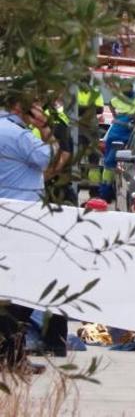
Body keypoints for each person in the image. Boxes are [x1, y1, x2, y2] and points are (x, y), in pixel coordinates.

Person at [0, 91, 56, 371]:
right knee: (24, 289)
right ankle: (11, 354)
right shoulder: (18, 135)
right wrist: (45, 129)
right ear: (19, 107)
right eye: (33, 105)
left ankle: (9, 353)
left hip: (5, 214)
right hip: (23, 217)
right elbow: (49, 159)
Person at [99, 84, 135, 202]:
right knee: (109, 164)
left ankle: (107, 192)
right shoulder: (116, 99)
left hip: (131, 135)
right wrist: (116, 116)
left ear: (132, 89)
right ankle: (105, 192)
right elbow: (111, 103)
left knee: (121, 164)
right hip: (116, 135)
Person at [43, 93, 76, 205]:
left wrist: (46, 176)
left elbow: (64, 153)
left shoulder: (52, 119)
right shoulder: (53, 116)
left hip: (53, 187)